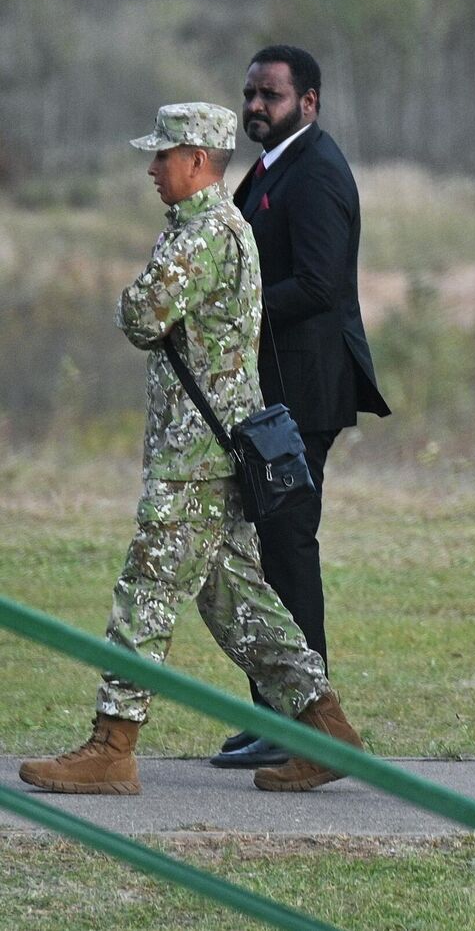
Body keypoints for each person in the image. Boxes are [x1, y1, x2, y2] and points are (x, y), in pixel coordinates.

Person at [19, 103, 365, 798]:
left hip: (194, 458)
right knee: (238, 600)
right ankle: (325, 730)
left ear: (198, 161)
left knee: (145, 589)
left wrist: (138, 298)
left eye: (163, 155)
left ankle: (112, 747)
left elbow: (139, 316)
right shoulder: (220, 227)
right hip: (213, 449)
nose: (152, 168)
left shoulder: (203, 234)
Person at [214, 45, 390, 769]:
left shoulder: (316, 171)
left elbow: (318, 285)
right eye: (250, 94)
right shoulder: (270, 167)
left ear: (308, 102)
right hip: (274, 392)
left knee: (288, 550)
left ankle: (305, 725)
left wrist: (230, 310)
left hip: (305, 394)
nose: (256, 106)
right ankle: (275, 713)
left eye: (272, 96)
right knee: (267, 552)